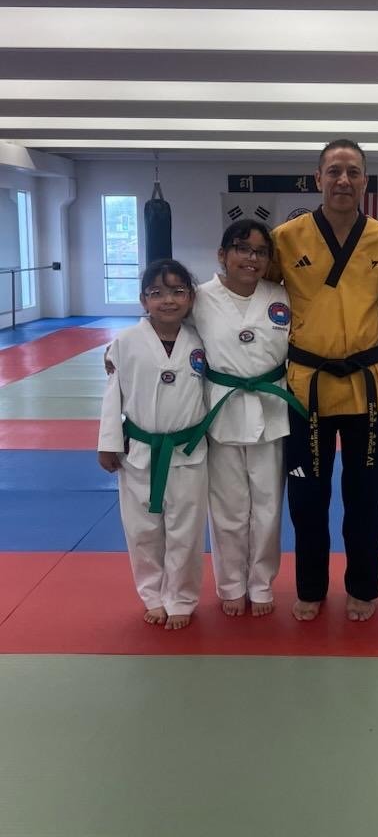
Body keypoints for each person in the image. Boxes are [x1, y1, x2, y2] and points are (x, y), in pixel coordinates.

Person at [271, 139, 378, 621]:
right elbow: (244, 294)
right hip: (308, 388)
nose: (344, 180)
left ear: (365, 180)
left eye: (353, 172)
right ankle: (310, 586)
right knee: (307, 497)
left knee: (365, 498)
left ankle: (363, 586)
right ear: (317, 178)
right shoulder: (286, 237)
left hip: (367, 385)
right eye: (334, 171)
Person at [192, 219, 302, 617]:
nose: (251, 258)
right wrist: (114, 353)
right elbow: (163, 327)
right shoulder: (199, 298)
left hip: (271, 410)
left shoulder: (282, 296)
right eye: (242, 248)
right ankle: (231, 583)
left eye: (259, 251)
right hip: (220, 409)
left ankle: (260, 583)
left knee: (269, 506)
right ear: (222, 255)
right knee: (227, 507)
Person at [98, 259, 208, 630]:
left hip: (188, 449)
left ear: (192, 298)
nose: (168, 300)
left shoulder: (200, 339)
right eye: (157, 293)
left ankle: (181, 597)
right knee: (142, 530)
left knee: (187, 530)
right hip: (139, 451)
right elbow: (112, 395)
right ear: (143, 300)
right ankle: (152, 595)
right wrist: (108, 442)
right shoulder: (125, 342)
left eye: (178, 291)